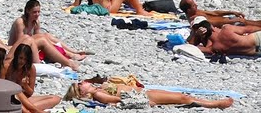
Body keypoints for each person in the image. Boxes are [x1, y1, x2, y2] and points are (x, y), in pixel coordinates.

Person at [64, 78, 232, 109]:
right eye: (80, 86)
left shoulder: (98, 89)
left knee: (180, 96)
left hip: (145, 93)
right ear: (82, 94)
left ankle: (205, 102)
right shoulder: (99, 95)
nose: (82, 83)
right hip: (144, 97)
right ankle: (215, 104)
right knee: (183, 98)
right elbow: (117, 100)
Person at [4, 43, 61, 113]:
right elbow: (0, 87)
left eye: (25, 59)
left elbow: (30, 92)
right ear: (16, 56)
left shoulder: (30, 69)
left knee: (56, 98)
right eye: (20, 58)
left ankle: (28, 110)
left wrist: (25, 85)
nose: (22, 61)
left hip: (24, 99)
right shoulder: (7, 66)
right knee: (16, 91)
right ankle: (35, 111)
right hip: (8, 99)